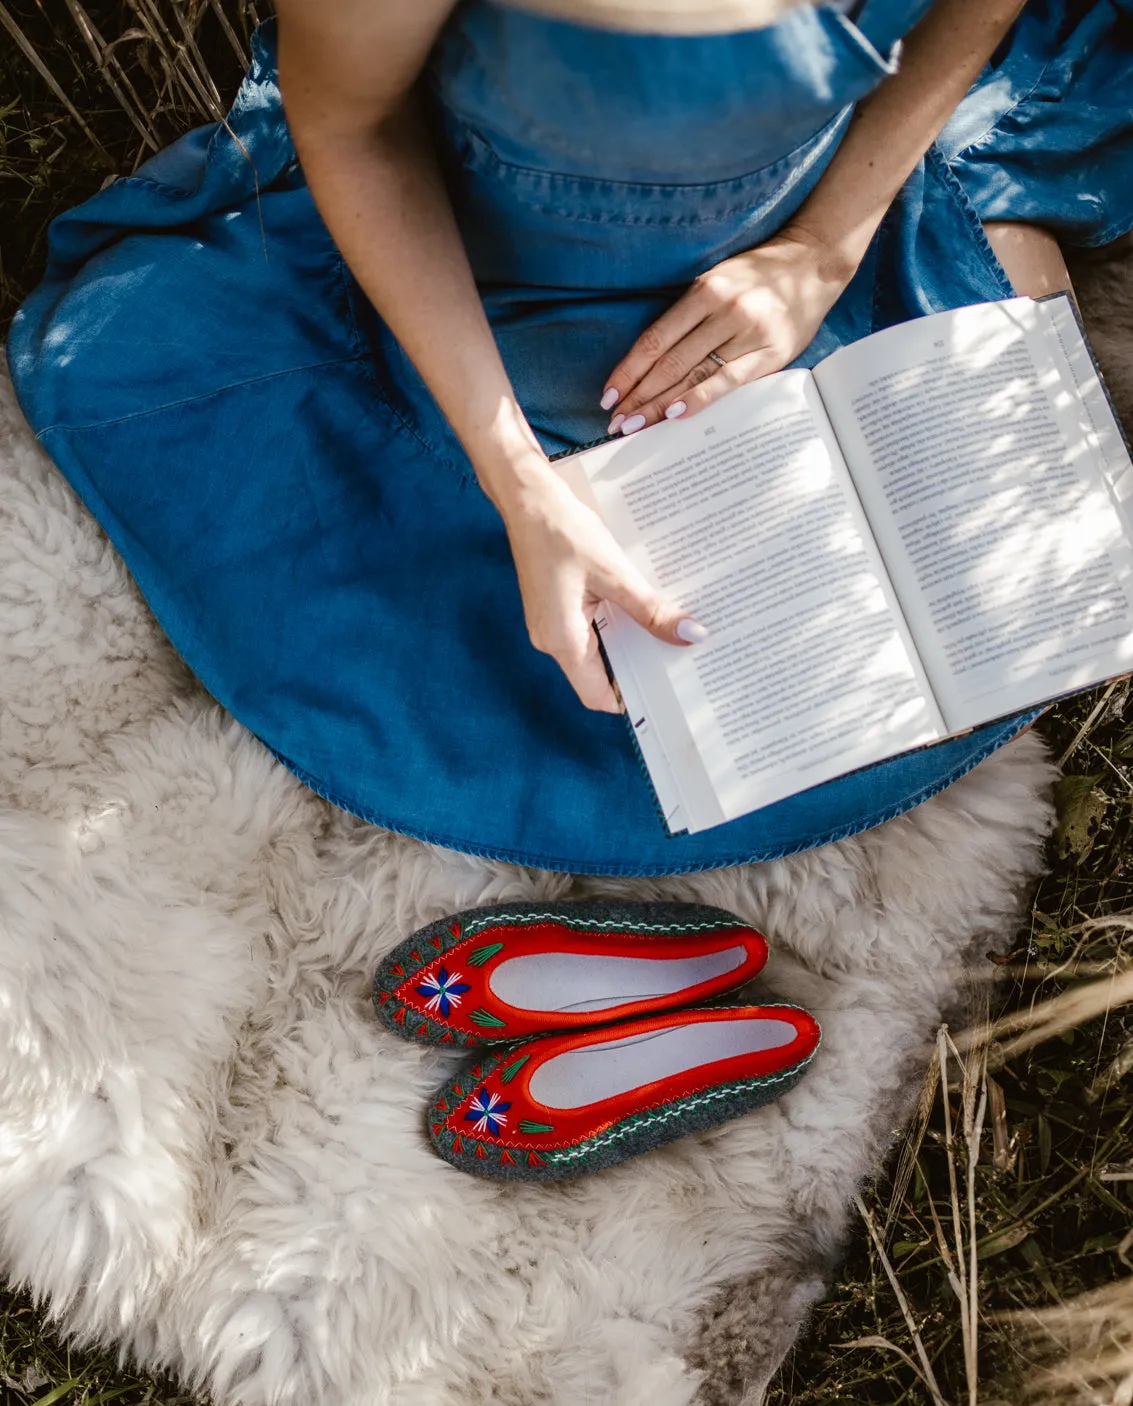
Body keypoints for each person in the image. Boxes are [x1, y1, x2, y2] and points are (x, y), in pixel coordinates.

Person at [9, 0, 1133, 873]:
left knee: (958, 594)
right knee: (540, 685)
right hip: (480, 289)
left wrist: (824, 246)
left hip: (825, 221)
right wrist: (520, 486)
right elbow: (353, 126)